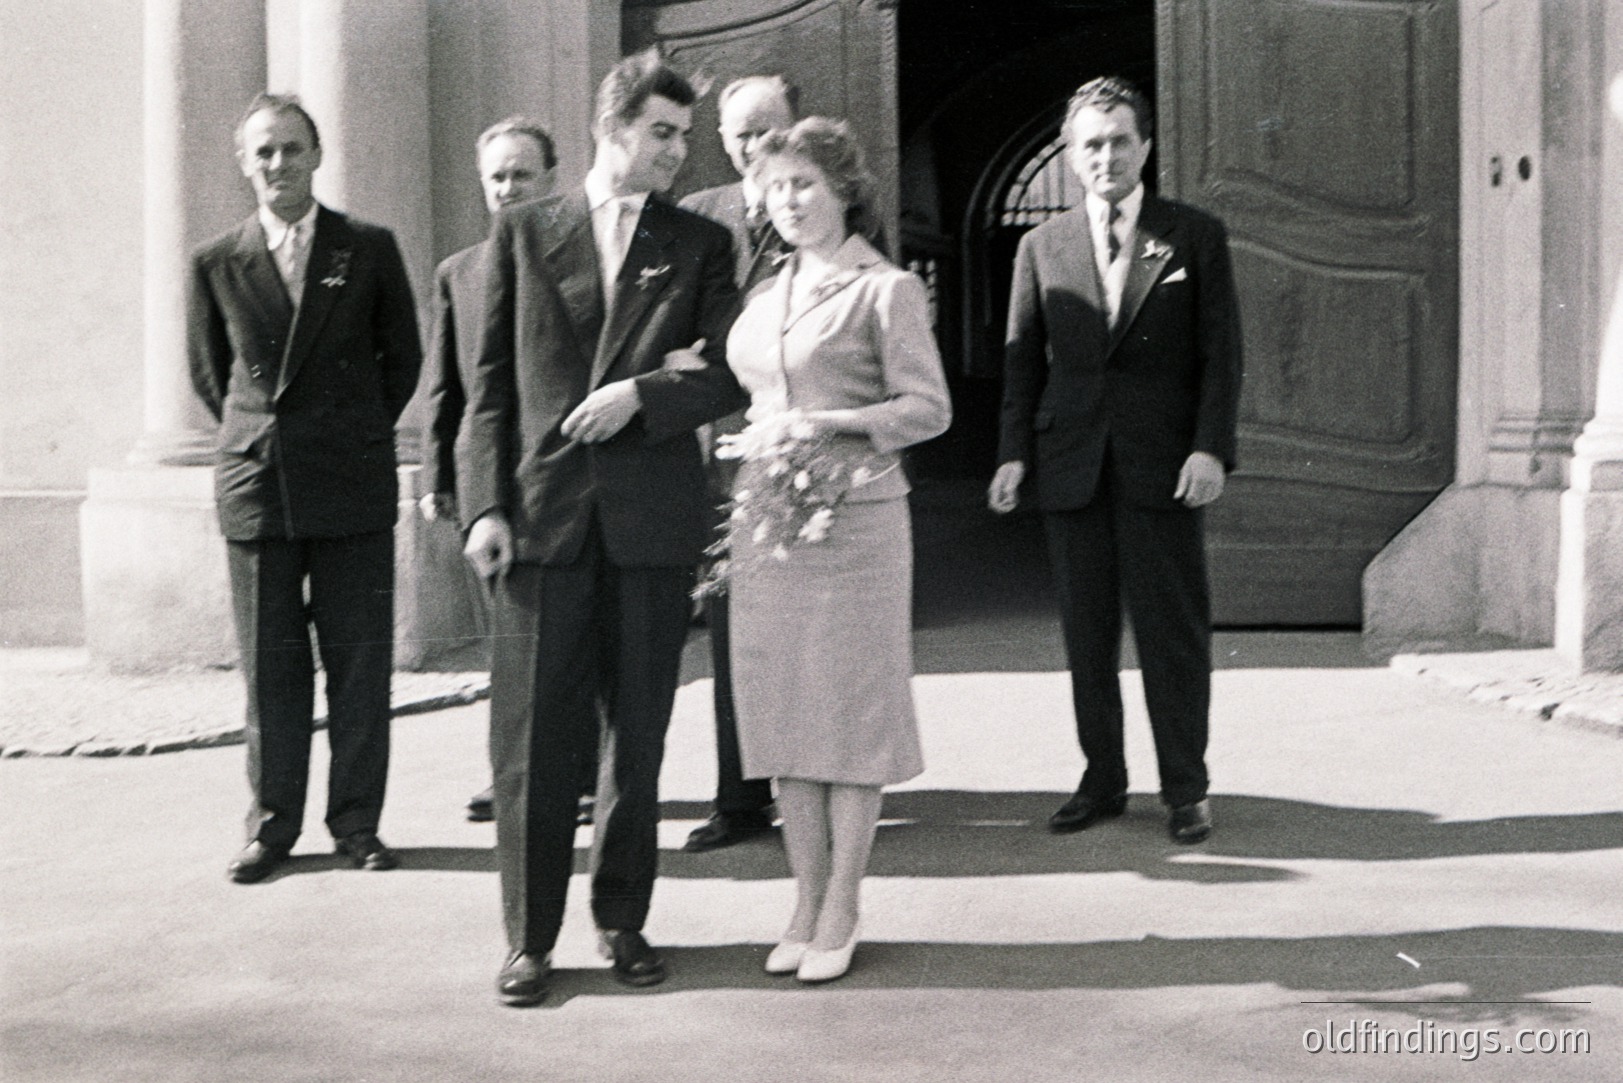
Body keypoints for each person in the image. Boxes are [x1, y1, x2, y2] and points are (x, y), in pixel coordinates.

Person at [458, 50, 745, 1006]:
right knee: (533, 742)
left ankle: (622, 918)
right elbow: (487, 387)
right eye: (662, 133)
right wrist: (484, 505)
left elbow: (730, 372)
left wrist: (644, 392)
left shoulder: (698, 245)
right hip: (540, 523)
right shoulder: (524, 233)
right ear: (611, 129)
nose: (677, 151)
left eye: (683, 135)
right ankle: (528, 938)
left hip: (651, 526)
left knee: (640, 736)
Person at [987, 76, 1243, 845]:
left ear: (1145, 146)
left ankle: (1185, 788)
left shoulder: (1191, 235)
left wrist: (1209, 447)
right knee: (1086, 636)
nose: (1105, 155)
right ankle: (1101, 780)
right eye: (1090, 144)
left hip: (1162, 465)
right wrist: (1010, 456)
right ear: (1070, 154)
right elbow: (1021, 361)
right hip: (1071, 466)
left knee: (1172, 633)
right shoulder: (1041, 245)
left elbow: (1220, 355)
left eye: (1119, 140)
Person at [724, 118, 951, 983]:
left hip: (855, 525)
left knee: (849, 718)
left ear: (844, 190)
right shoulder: (767, 287)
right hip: (768, 522)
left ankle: (844, 904)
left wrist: (831, 422)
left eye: (804, 185)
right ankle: (802, 897)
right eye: (776, 186)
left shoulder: (883, 289)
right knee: (784, 716)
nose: (788, 201)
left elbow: (927, 408)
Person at [187, 94, 421, 884]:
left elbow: (402, 360)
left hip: (350, 482)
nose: (278, 164)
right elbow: (209, 374)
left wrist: (349, 427)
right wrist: (265, 433)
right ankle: (271, 826)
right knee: (273, 666)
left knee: (359, 664)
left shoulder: (367, 247)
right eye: (263, 152)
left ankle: (357, 821)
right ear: (244, 163)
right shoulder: (216, 260)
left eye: (292, 149)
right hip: (261, 483)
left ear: (317, 156)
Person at [417, 117, 579, 826]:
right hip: (487, 483)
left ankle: (580, 779)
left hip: (564, 478)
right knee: (508, 646)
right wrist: (436, 478)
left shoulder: (580, 263)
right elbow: (445, 386)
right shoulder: (460, 272)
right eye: (498, 177)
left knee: (573, 637)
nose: (510, 188)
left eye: (523, 174)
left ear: (550, 180)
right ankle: (512, 774)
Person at [676, 74, 798, 853]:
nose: (753, 147)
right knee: (731, 631)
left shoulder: (827, 203)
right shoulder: (698, 217)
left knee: (807, 628)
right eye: (739, 135)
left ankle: (819, 781)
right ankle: (740, 799)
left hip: (801, 448)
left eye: (766, 130)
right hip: (720, 451)